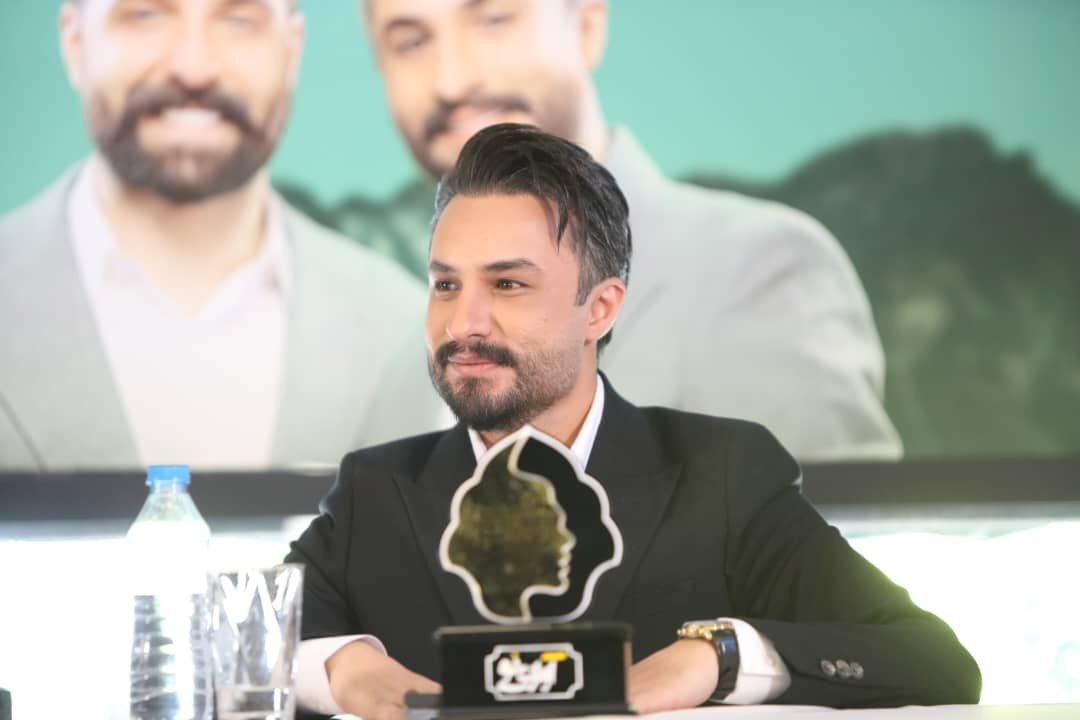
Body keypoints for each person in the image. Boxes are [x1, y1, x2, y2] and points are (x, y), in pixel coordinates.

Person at [285, 125, 979, 719]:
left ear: (601, 308)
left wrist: (716, 655)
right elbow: (259, 642)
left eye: (507, 284)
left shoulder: (722, 476)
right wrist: (347, 667)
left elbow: (931, 660)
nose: (463, 322)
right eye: (446, 284)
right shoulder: (374, 491)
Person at [309, 0, 902, 462]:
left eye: (494, 18)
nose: (453, 79)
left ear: (587, 24)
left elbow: (829, 558)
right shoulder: (396, 355)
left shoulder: (760, 272)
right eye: (411, 40)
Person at [0, 0, 443, 470]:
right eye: (146, 15)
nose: (194, 69)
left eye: (238, 19)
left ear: (291, 51)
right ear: (74, 42)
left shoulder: (406, 333)